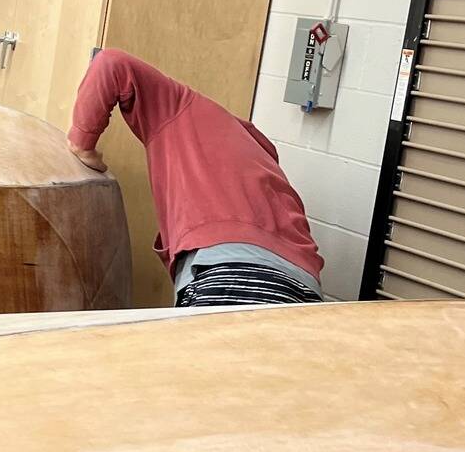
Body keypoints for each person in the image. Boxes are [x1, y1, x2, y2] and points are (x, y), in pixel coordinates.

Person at [68, 48, 324, 307]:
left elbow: (111, 63)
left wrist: (83, 145)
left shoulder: (181, 108)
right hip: (305, 290)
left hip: (233, 273)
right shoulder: (262, 158)